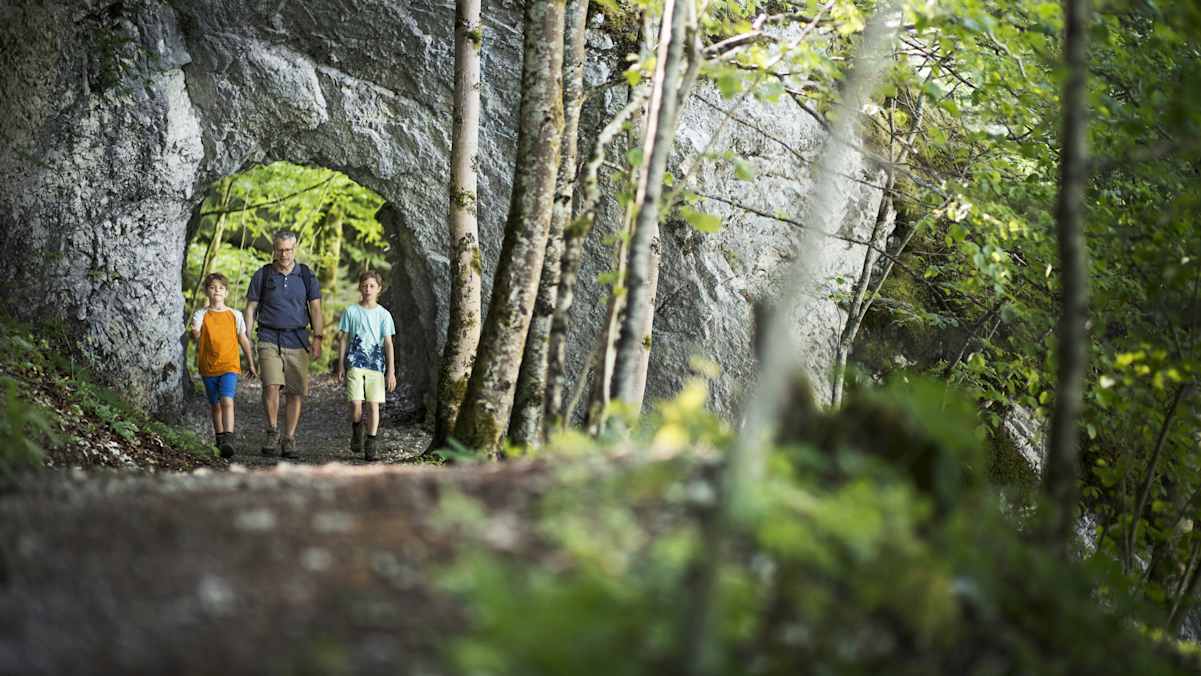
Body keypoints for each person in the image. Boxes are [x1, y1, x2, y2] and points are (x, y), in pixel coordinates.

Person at [244, 230, 323, 460]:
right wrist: (247, 336)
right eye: (280, 249)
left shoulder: (306, 275)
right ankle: (271, 432)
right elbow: (250, 308)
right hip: (268, 337)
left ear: (295, 249)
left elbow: (316, 308)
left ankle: (289, 438)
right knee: (271, 385)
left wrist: (318, 338)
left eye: (288, 249)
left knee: (295, 392)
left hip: (297, 339)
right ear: (274, 250)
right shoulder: (263, 275)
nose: (284, 254)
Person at [191, 272, 257, 458]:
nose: (217, 291)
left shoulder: (234, 315)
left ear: (226, 292)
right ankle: (219, 439)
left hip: (229, 365)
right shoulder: (201, 314)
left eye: (220, 288)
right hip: (208, 366)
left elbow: (243, 339)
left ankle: (229, 439)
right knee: (215, 405)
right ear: (207, 292)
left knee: (227, 401)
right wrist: (195, 332)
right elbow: (195, 332)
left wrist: (251, 363)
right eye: (212, 288)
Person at [336, 270, 397, 461]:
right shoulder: (351, 311)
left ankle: (371, 443)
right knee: (356, 403)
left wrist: (391, 371)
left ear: (379, 289)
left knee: (373, 405)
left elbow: (388, 343)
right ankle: (356, 431)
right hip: (355, 362)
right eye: (365, 285)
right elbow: (343, 339)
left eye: (372, 286)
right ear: (359, 287)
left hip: (376, 365)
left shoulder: (384, 315)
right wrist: (340, 365)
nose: (368, 289)